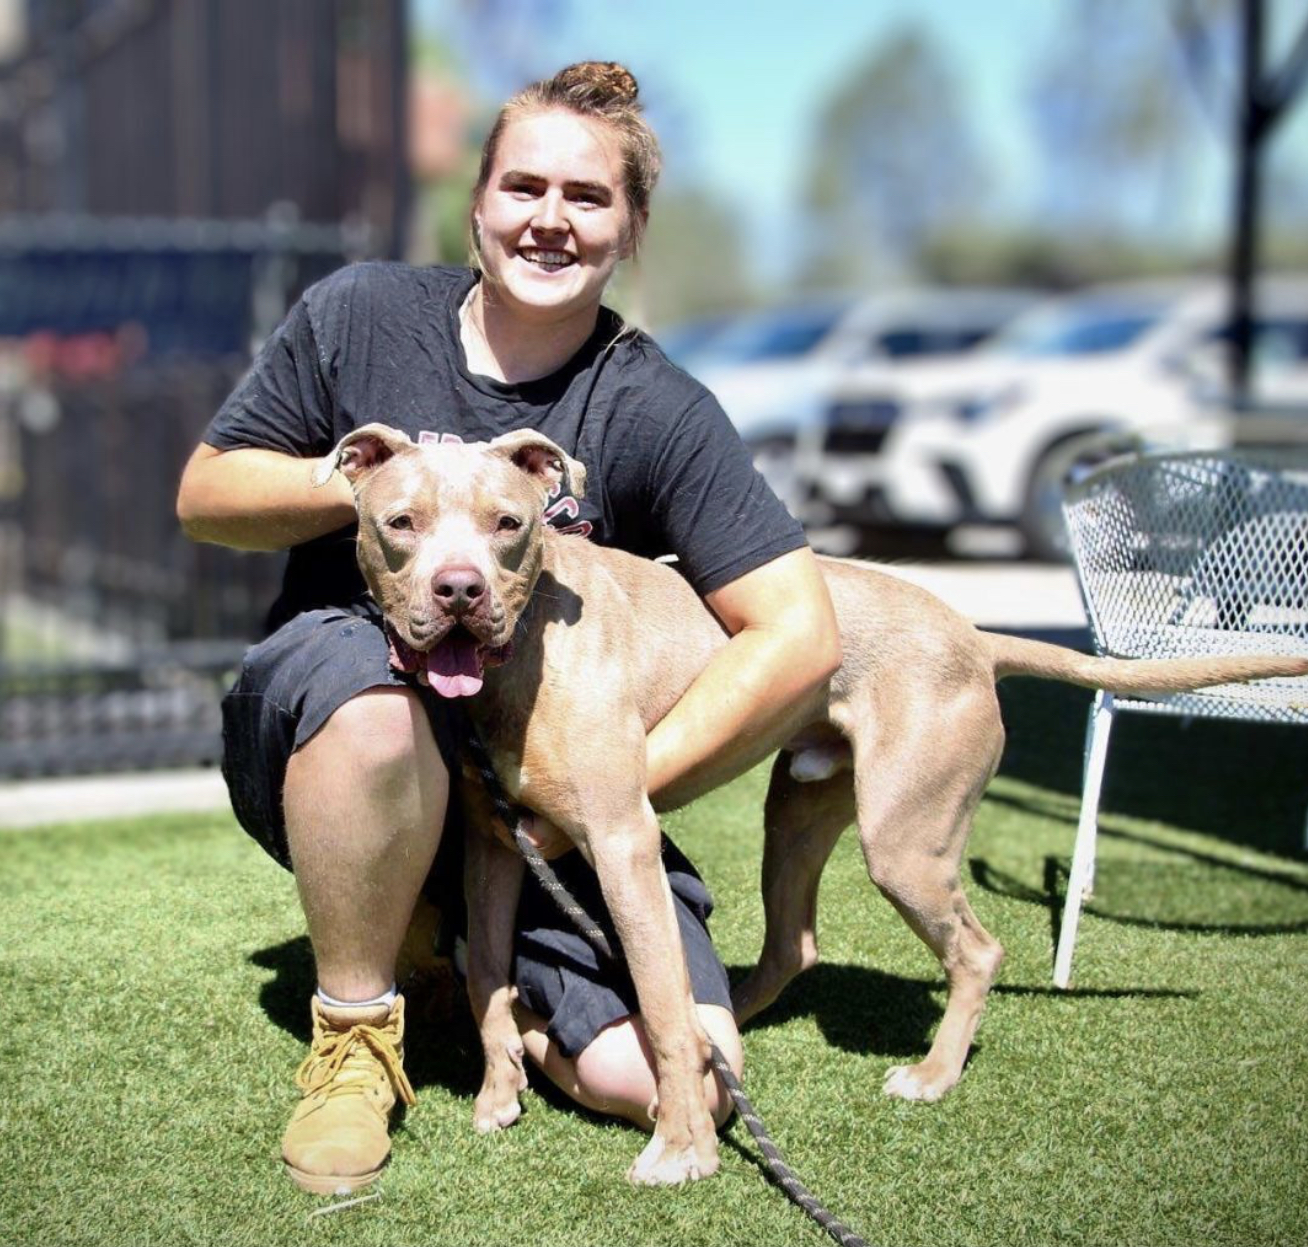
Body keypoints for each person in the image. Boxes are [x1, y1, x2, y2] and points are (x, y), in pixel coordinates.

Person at [176, 61, 840, 1194]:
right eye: (523, 185)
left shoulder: (651, 404)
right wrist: (387, 493)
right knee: (374, 701)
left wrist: (615, 792)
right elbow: (205, 494)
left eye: (588, 197)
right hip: (340, 733)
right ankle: (355, 1033)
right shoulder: (360, 315)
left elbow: (799, 632)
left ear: (629, 228)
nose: (549, 218)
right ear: (477, 204)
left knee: (692, 1074)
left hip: (537, 784)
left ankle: (492, 991)